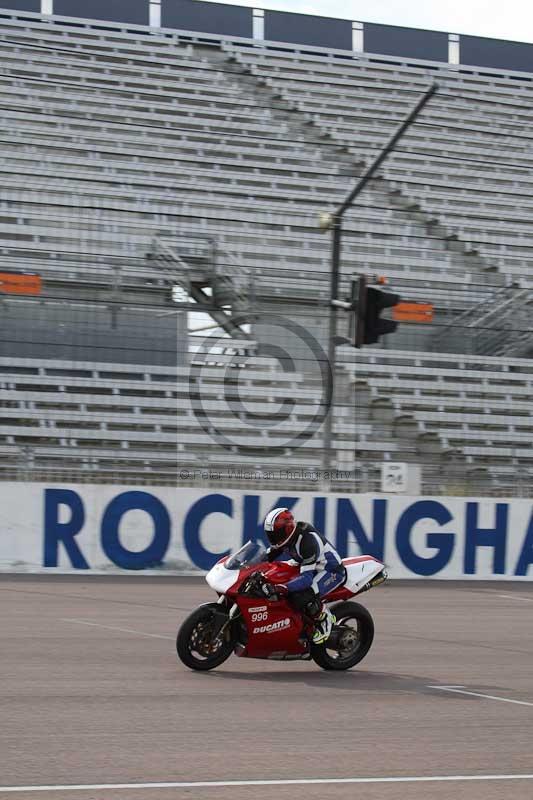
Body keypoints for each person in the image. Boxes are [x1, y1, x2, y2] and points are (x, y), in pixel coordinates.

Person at [263, 507, 346, 644]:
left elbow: (306, 579)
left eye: (276, 534)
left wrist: (282, 587)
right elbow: (266, 557)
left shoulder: (307, 542)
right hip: (308, 565)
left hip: (330, 570)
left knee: (301, 595)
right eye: (270, 534)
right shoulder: (284, 538)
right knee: (274, 574)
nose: (273, 538)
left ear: (287, 530)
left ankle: (325, 618)